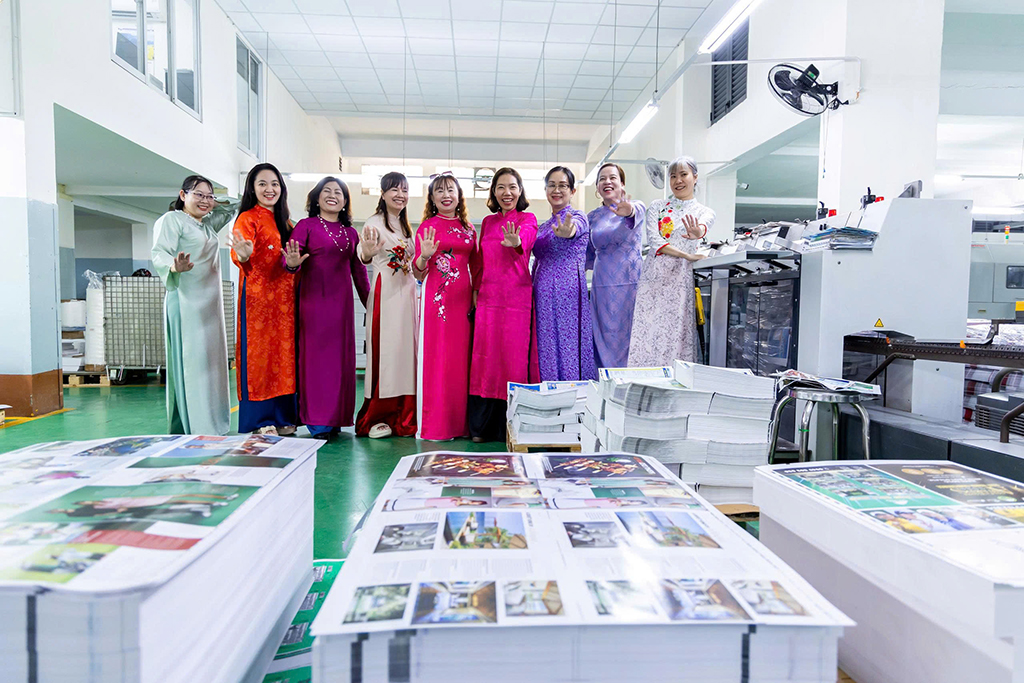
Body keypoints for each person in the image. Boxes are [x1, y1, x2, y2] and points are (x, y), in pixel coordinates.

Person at [151, 175, 238, 435]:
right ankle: (196, 425)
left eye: (209, 196)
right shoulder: (172, 220)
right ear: (182, 195)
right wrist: (173, 266)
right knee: (193, 364)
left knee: (211, 364)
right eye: (198, 194)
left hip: (210, 306)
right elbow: (159, 251)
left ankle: (211, 421)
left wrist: (213, 201)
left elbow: (234, 205)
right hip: (186, 300)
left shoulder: (207, 225)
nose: (205, 200)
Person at [285, 177, 369, 440]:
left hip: (341, 309)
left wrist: (371, 304)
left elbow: (359, 272)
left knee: (339, 364)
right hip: (313, 305)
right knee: (316, 364)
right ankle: (317, 421)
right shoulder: (306, 226)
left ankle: (336, 418)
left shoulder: (351, 233)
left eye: (339, 193)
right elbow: (290, 261)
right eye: (327, 191)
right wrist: (291, 263)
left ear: (345, 202)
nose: (333, 195)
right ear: (317, 197)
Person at [468, 167, 539, 442]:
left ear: (520, 190)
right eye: (501, 187)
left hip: (517, 299)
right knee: (485, 359)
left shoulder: (528, 218)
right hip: (488, 298)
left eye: (512, 187)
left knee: (512, 360)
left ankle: (509, 427)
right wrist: (476, 289)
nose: (507, 193)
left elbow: (527, 239)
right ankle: (481, 428)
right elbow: (478, 260)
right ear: (493, 192)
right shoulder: (487, 222)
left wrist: (517, 242)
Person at [228, 163, 299, 436]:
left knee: (284, 359)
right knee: (259, 360)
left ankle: (283, 417)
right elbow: (239, 253)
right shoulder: (248, 218)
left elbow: (292, 264)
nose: (270, 189)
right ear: (252, 188)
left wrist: (294, 265)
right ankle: (258, 420)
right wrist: (243, 254)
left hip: (285, 306)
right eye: (262, 184)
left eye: (275, 184)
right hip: (257, 304)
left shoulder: (287, 223)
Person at [628, 156, 715, 367]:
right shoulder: (657, 206)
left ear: (695, 177)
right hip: (653, 277)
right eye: (673, 176)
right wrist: (687, 255)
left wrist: (697, 233)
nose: (678, 180)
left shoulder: (705, 212)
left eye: (684, 175)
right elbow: (655, 241)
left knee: (676, 333)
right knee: (647, 332)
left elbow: (702, 227)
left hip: (679, 280)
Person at [413, 172, 477, 440]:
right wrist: (424, 256)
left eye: (451, 190)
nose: (446, 195)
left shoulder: (469, 228)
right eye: (439, 191)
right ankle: (436, 425)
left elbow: (477, 266)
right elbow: (417, 272)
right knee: (437, 359)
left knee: (460, 362)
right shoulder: (427, 227)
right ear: (432, 198)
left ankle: (459, 424)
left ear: (459, 195)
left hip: (463, 302)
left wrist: (476, 296)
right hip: (436, 302)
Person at [355, 172, 418, 439]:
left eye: (404, 190)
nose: (400, 195)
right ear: (382, 194)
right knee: (386, 354)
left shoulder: (405, 226)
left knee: (406, 355)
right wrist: (366, 253)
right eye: (394, 189)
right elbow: (363, 254)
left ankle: (404, 415)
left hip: (408, 297)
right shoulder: (374, 223)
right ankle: (377, 416)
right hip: (387, 296)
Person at [533, 166, 597, 381]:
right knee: (545, 344)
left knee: (566, 343)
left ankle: (570, 394)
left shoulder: (577, 216)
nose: (556, 190)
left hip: (566, 294)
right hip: (541, 293)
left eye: (563, 185)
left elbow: (573, 229)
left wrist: (568, 232)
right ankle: (548, 391)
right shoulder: (544, 225)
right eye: (552, 185)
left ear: (572, 191)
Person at [586, 163, 645, 370]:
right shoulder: (592, 217)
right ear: (597, 187)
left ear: (622, 184)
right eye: (602, 179)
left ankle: (630, 380)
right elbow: (586, 256)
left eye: (612, 178)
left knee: (630, 334)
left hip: (631, 283)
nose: (607, 182)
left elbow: (634, 213)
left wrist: (628, 211)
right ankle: (604, 379)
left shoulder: (636, 206)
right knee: (602, 335)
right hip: (602, 285)